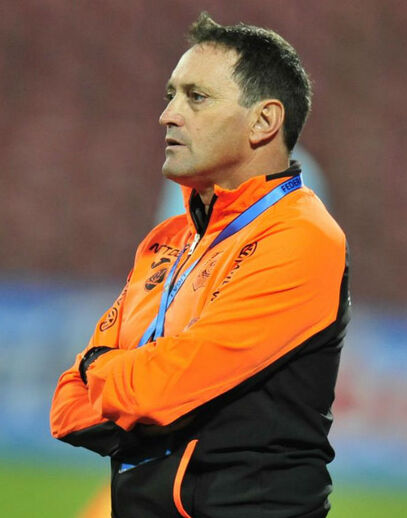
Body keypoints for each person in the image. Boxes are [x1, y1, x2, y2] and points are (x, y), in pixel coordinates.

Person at [50, 12, 349, 518]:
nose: (168, 115)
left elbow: (153, 391)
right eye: (171, 95)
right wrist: (130, 387)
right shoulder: (168, 241)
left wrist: (103, 372)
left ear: (264, 121)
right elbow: (67, 406)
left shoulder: (301, 236)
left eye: (197, 97)